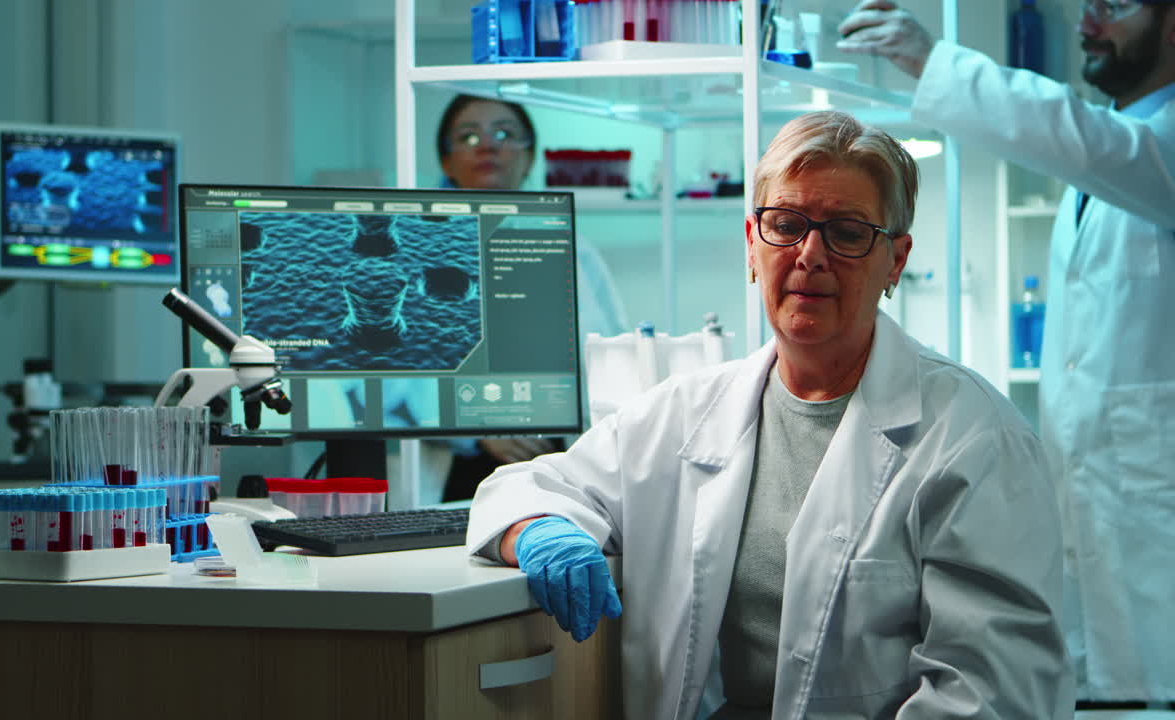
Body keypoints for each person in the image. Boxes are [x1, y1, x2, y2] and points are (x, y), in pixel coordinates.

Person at [465, 110, 1074, 720]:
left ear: (895, 260)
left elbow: (991, 694)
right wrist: (539, 531)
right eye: (786, 225)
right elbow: (530, 484)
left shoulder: (974, 439)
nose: (810, 255)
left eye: (847, 232)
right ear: (752, 245)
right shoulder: (689, 412)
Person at [836, 1, 1175, 707]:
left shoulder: (1144, 152)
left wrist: (937, 63)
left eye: (1114, 4)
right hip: (1102, 544)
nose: (1089, 20)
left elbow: (1081, 138)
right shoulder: (1118, 161)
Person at [433, 94, 629, 501]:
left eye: (504, 134)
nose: (488, 146)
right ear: (447, 162)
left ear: (529, 157)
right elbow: (399, 383)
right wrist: (474, 429)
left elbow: (612, 357)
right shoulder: (425, 254)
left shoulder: (574, 248)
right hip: (463, 465)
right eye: (469, 137)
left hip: (562, 457)